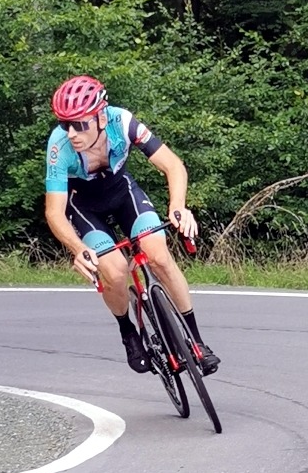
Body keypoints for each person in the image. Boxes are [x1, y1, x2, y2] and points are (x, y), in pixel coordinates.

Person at [43, 75, 221, 376]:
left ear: (101, 117)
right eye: (65, 124)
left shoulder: (122, 122)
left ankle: (196, 341)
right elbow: (54, 212)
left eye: (79, 124)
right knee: (115, 271)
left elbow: (173, 165)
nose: (71, 133)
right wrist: (77, 248)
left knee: (159, 256)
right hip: (84, 207)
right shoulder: (59, 147)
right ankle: (128, 331)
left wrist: (177, 206)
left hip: (123, 193)